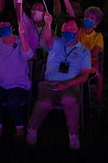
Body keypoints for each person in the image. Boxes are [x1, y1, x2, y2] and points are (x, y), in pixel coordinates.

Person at [26, 15, 91, 150]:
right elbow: (47, 39)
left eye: (71, 29)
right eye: (65, 29)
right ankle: (32, 129)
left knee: (69, 100)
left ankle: (73, 134)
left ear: (79, 31)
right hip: (49, 84)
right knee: (44, 102)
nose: (68, 32)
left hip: (70, 85)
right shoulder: (56, 43)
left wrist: (67, 84)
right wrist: (48, 24)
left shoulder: (84, 51)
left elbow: (85, 75)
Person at [0, 13, 33, 141]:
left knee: (13, 101)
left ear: (12, 26)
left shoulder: (20, 41)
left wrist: (22, 35)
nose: (2, 27)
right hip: (1, 84)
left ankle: (19, 128)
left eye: (5, 25)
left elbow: (29, 55)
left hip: (19, 84)